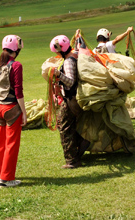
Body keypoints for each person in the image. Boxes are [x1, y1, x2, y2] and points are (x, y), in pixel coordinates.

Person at [49, 34, 89, 169]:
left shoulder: (68, 61)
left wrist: (59, 75)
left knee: (64, 127)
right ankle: (81, 142)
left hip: (71, 99)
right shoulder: (73, 56)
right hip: (73, 99)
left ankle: (72, 160)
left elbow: (70, 81)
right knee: (67, 125)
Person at [0, 34, 27, 188]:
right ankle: (6, 179)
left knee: (1, 142)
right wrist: (24, 112)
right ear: (16, 50)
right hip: (11, 108)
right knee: (12, 143)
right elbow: (18, 92)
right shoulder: (16, 65)